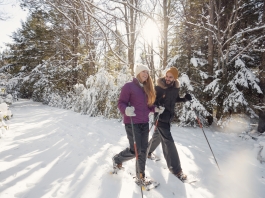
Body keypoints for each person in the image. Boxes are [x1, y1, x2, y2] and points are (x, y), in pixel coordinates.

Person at [112, 64, 164, 181]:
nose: (145, 74)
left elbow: (148, 106)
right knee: (135, 149)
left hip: (144, 122)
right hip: (132, 122)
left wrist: (155, 108)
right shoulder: (128, 86)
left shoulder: (147, 88)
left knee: (144, 150)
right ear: (138, 73)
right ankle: (118, 159)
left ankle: (141, 176)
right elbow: (121, 103)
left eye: (147, 72)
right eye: (143, 72)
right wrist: (126, 109)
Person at [147, 67, 192, 182]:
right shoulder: (159, 87)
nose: (167, 78)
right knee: (168, 142)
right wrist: (158, 103)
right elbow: (151, 101)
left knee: (157, 137)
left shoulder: (175, 88)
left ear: (175, 78)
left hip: (168, 118)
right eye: (167, 76)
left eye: (170, 77)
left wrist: (184, 99)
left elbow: (174, 99)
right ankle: (176, 169)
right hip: (160, 117)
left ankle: (146, 152)